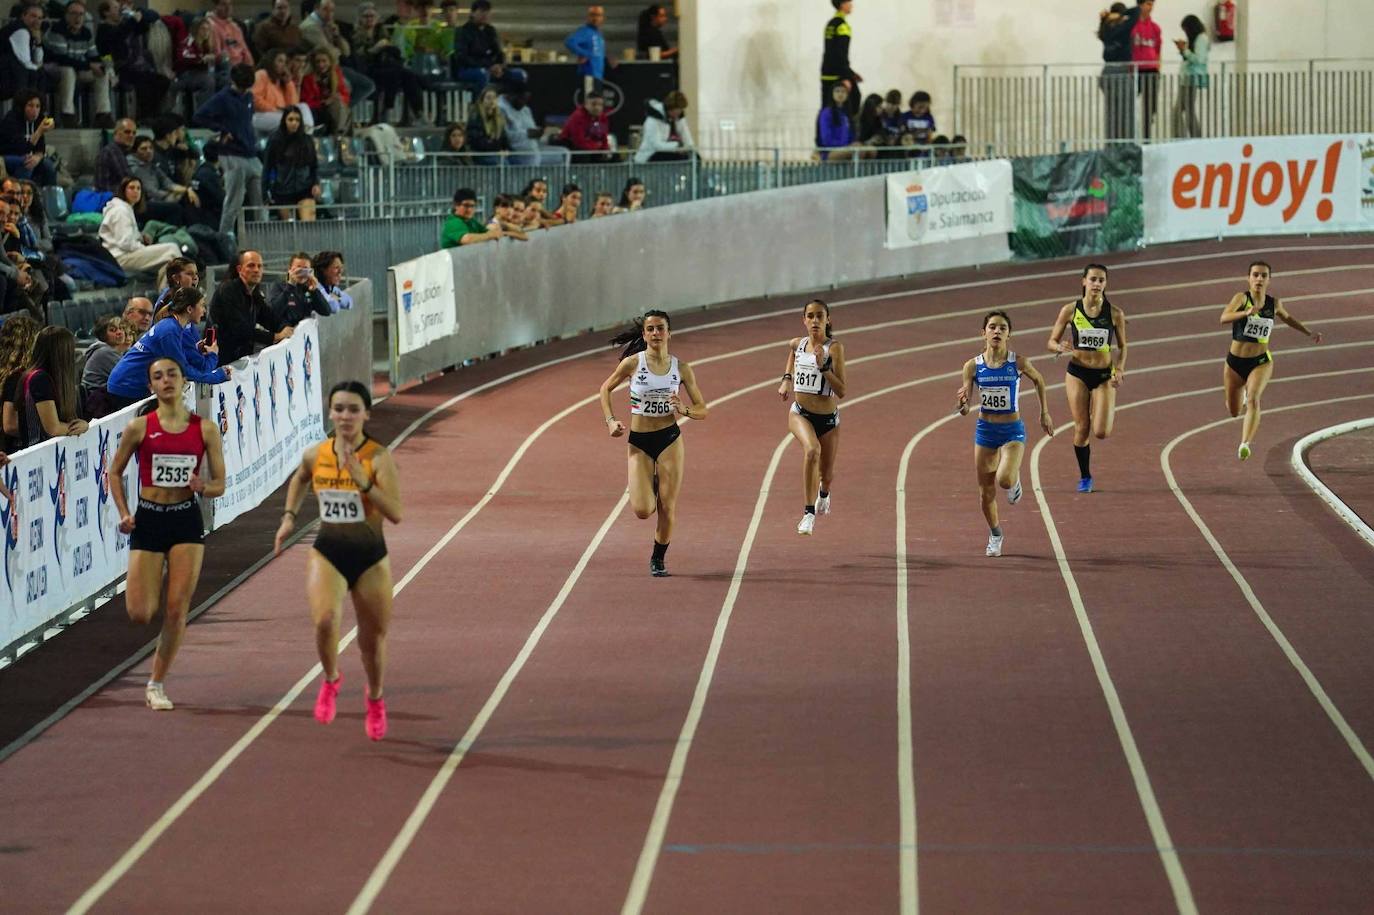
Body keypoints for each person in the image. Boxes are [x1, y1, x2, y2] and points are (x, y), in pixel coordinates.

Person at [275, 380, 403, 740]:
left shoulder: (378, 457)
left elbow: (395, 513)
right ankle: (331, 679)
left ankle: (375, 697)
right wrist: (289, 517)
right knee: (325, 621)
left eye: (353, 409)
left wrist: (364, 482)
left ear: (366, 414)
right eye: (339, 409)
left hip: (370, 556)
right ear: (330, 413)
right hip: (328, 550)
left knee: (371, 640)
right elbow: (299, 479)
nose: (345, 416)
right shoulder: (316, 454)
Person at [109, 356, 226, 711]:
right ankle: (152, 576)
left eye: (172, 374)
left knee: (177, 610)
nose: (166, 381)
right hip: (149, 519)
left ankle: (156, 682)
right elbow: (114, 473)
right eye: (158, 377)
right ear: (151, 387)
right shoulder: (139, 428)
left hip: (185, 521)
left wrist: (202, 487)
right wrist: (125, 513)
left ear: (183, 380)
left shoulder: (204, 429)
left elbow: (220, 483)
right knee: (141, 612)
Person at [598, 310, 709, 577]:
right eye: (651, 329)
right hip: (640, 441)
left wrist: (685, 410)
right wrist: (611, 421)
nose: (656, 334)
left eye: (661, 328)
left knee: (668, 508)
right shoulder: (632, 364)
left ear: (669, 333)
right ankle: (653, 482)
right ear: (645, 334)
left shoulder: (681, 368)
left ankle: (658, 558)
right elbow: (605, 389)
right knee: (643, 510)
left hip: (669, 439)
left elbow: (703, 409)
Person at [956, 311, 1054, 557]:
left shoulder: (1017, 362)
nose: (997, 331)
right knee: (985, 491)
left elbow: (1040, 380)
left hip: (1012, 430)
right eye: (992, 327)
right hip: (986, 431)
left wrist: (1045, 413)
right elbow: (966, 408)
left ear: (1009, 334)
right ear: (984, 333)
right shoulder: (972, 366)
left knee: (1005, 480)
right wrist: (962, 405)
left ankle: (1014, 479)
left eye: (1002, 328)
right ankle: (996, 534)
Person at [1220, 261, 1324, 461]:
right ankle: (1240, 398)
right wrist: (1245, 313)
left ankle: (1245, 444)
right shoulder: (1241, 298)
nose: (1259, 279)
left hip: (1261, 361)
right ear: (1248, 278)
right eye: (1255, 275)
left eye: (1263, 276)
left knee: (1254, 399)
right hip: (1234, 363)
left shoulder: (1274, 304)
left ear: (1269, 280)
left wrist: (1309, 332)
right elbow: (1223, 317)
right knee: (1233, 411)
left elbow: (1288, 318)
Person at [1047, 264, 1128, 493]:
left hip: (1103, 375)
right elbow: (1051, 341)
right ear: (1083, 281)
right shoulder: (1070, 310)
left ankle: (1099, 407)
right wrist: (1059, 346)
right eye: (1093, 279)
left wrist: (1119, 370)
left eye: (1101, 280)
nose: (1097, 284)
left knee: (1101, 431)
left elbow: (1122, 346)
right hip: (1078, 373)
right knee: (1082, 428)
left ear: (1105, 284)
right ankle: (1085, 476)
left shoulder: (1115, 314)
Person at [777, 299, 847, 535]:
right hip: (800, 414)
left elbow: (842, 391)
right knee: (811, 451)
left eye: (820, 316)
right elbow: (791, 351)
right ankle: (808, 513)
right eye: (810, 316)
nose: (815, 320)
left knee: (826, 475)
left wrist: (824, 367)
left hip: (828, 420)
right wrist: (787, 379)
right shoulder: (798, 343)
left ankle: (824, 493)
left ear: (828, 320)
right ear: (804, 320)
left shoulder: (834, 348)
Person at [108, 286, 230, 406]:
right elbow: (184, 372)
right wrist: (216, 372)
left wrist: (198, 350)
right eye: (202, 305)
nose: (204, 311)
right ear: (189, 309)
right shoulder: (170, 330)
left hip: (128, 384)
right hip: (126, 387)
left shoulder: (172, 326)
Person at [195, 63, 263, 237]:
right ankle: (224, 239)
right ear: (234, 80)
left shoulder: (248, 97)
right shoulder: (223, 97)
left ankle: (261, 238)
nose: (244, 88)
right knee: (234, 201)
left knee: (259, 202)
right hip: (232, 154)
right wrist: (222, 129)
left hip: (251, 153)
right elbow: (199, 116)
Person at [10, 326, 90, 449]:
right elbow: (53, 428)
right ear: (63, 352)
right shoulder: (39, 379)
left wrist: (83, 425)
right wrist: (84, 427)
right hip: (36, 454)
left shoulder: (47, 377)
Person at [209, 250, 294, 365]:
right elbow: (240, 329)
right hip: (220, 362)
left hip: (239, 361)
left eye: (260, 266)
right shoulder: (228, 290)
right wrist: (276, 336)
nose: (256, 270)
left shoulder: (254, 295)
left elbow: (271, 318)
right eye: (251, 265)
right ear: (239, 270)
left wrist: (285, 328)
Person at [42, 0, 116, 128]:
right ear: (66, 15)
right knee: (68, 70)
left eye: (81, 14)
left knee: (101, 73)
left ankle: (103, 114)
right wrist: (89, 65)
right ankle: (68, 114)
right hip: (53, 68)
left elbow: (94, 56)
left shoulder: (86, 33)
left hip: (78, 67)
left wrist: (105, 67)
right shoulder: (57, 30)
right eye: (74, 14)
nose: (78, 18)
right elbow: (62, 59)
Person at [95, 0, 169, 119]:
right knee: (144, 82)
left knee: (162, 81)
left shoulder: (123, 25)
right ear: (106, 12)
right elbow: (118, 36)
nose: (119, 10)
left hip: (135, 67)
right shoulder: (104, 28)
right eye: (115, 8)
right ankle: (145, 116)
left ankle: (151, 114)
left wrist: (138, 14)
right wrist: (132, 20)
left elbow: (144, 27)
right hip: (117, 68)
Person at [99, 177, 183, 276]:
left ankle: (168, 290)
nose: (136, 191)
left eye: (138, 188)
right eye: (131, 188)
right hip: (120, 257)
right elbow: (125, 243)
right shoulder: (120, 211)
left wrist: (140, 238)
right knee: (172, 250)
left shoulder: (125, 208)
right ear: (123, 190)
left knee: (167, 263)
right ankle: (181, 289)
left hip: (123, 254)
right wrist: (142, 247)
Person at [263, 107, 321, 221]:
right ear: (284, 121)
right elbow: (267, 168)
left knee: (309, 227)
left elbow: (314, 165)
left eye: (297, 120)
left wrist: (316, 183)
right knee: (288, 231)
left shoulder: (307, 140)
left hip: (305, 188)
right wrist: (264, 194)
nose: (294, 123)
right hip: (282, 191)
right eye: (290, 119)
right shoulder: (275, 140)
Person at [499, 78, 567, 166]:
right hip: (513, 154)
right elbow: (505, 137)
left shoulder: (525, 109)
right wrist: (527, 134)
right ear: (510, 95)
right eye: (522, 99)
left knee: (564, 153)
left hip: (533, 149)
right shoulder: (500, 109)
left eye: (526, 100)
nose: (523, 103)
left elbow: (532, 130)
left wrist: (539, 132)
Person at [1098, 2, 1140, 141]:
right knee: (1126, 113)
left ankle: (1111, 146)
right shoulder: (1122, 28)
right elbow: (1137, 12)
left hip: (1107, 71)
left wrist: (1108, 16)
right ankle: (1126, 145)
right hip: (1121, 71)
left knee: (1111, 114)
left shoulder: (1105, 27)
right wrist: (1123, 13)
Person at [0, 89, 58, 186]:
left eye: (37, 106)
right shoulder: (11, 119)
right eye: (30, 106)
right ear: (22, 106)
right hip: (7, 157)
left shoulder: (38, 120)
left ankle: (49, 198)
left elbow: (41, 148)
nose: (34, 110)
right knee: (26, 163)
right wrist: (39, 131)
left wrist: (37, 158)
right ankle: (21, 196)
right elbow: (22, 148)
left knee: (48, 166)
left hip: (27, 157)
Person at [0, 314, 39, 453]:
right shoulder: (16, 377)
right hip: (11, 452)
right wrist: (43, 430)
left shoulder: (7, 371)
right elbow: (10, 425)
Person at [253, 48, 315, 134]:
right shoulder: (262, 74)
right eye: (280, 61)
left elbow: (293, 105)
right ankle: (304, 132)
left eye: (285, 62)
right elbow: (255, 100)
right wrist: (275, 110)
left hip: (279, 115)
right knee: (289, 120)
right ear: (271, 61)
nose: (283, 65)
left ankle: (307, 133)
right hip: (261, 115)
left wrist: (289, 82)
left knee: (303, 106)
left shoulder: (282, 80)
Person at [80, 314, 130, 416]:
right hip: (99, 405)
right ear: (103, 335)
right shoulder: (104, 352)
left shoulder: (112, 351)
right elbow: (130, 375)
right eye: (113, 330)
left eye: (121, 328)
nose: (119, 332)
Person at [820, 0, 861, 120]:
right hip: (837, 75)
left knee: (826, 109)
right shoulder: (843, 26)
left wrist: (852, 73)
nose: (852, 5)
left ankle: (821, 138)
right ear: (842, 4)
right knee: (854, 102)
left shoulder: (830, 24)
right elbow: (840, 54)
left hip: (826, 73)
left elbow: (831, 52)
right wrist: (846, 76)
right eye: (849, 2)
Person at [172, 15, 218, 118]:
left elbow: (217, 56)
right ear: (196, 29)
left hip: (200, 74)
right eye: (203, 29)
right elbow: (183, 56)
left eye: (208, 29)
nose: (206, 32)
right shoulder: (189, 41)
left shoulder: (206, 44)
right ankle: (203, 116)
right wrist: (201, 58)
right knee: (208, 81)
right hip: (185, 75)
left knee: (222, 80)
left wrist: (215, 57)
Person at [269, 251, 333, 325]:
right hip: (286, 333)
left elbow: (326, 311)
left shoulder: (309, 290)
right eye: (298, 269)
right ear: (290, 269)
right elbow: (273, 311)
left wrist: (314, 291)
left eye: (305, 269)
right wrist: (290, 286)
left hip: (306, 333)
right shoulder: (279, 286)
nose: (301, 273)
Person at [300, 47, 352, 135]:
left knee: (341, 107)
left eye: (324, 61)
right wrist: (324, 103)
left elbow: (345, 94)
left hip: (334, 107)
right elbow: (306, 101)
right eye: (318, 62)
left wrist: (337, 98)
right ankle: (338, 134)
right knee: (338, 107)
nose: (321, 65)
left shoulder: (336, 74)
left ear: (330, 62)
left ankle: (339, 134)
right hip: (316, 109)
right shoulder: (308, 79)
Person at [1173, 14, 1209, 138]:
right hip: (1186, 78)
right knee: (1177, 112)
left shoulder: (1202, 38)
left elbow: (1199, 59)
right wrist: (1184, 49)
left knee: (1188, 111)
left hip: (1192, 78)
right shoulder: (1196, 39)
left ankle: (1196, 137)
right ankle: (1180, 137)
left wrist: (1185, 50)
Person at [1131, 0, 1162, 140]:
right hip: (1135, 70)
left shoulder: (1155, 28)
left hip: (1151, 70)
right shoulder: (1131, 26)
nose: (1151, 7)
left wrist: (1157, 66)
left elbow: (1158, 50)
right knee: (1129, 105)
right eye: (1148, 4)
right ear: (1140, 5)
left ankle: (1147, 137)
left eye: (1152, 4)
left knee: (1149, 108)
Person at [635, 91, 694, 163]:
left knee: (694, 157)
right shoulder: (652, 120)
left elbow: (687, 137)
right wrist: (677, 146)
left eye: (681, 110)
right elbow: (656, 145)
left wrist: (690, 150)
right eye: (677, 110)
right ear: (670, 108)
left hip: (667, 153)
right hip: (649, 157)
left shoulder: (678, 118)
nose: (679, 112)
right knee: (672, 157)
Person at [1, 2, 46, 94]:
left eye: (40, 18)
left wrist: (38, 42)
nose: (37, 21)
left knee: (37, 74)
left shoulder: (31, 32)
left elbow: (38, 60)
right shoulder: (21, 31)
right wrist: (38, 68)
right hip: (4, 70)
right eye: (33, 16)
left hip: (9, 70)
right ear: (23, 16)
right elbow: (25, 61)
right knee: (34, 74)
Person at [557, 91, 614, 160]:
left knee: (614, 157)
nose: (597, 108)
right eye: (593, 104)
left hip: (592, 147)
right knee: (585, 157)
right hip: (570, 146)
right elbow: (579, 141)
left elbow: (604, 137)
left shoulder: (603, 118)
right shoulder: (578, 116)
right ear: (586, 105)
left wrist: (605, 149)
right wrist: (597, 148)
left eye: (600, 105)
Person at [817, 83, 866, 160]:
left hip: (846, 148)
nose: (840, 94)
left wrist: (854, 143)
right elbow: (826, 139)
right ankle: (853, 171)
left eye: (843, 91)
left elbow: (851, 135)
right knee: (856, 151)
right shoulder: (826, 113)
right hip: (829, 151)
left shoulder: (846, 114)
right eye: (837, 91)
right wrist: (846, 146)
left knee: (866, 150)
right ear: (832, 94)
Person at [465, 86, 510, 164]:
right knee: (501, 164)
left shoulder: (499, 117)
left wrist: (505, 148)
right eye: (488, 98)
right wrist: (497, 147)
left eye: (494, 98)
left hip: (495, 153)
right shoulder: (475, 117)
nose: (492, 101)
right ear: (482, 101)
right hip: (480, 154)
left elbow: (503, 137)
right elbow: (478, 142)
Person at [565, 5, 606, 83]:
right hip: (589, 75)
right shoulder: (585, 31)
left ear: (602, 18)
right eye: (592, 15)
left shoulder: (598, 34)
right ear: (588, 17)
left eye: (598, 15)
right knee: (592, 95)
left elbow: (597, 53)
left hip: (598, 76)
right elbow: (569, 42)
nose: (595, 18)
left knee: (595, 95)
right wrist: (584, 54)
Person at [208, 0, 254, 70]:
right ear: (215, 6)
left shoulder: (234, 26)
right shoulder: (210, 25)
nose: (228, 8)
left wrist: (251, 66)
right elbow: (217, 55)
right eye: (223, 4)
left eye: (230, 4)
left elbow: (244, 49)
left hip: (241, 67)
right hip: (225, 68)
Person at [94, 117, 137, 192]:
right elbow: (129, 180)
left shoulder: (123, 152)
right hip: (112, 199)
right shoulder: (111, 152)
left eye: (134, 133)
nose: (131, 135)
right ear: (116, 133)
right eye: (127, 132)